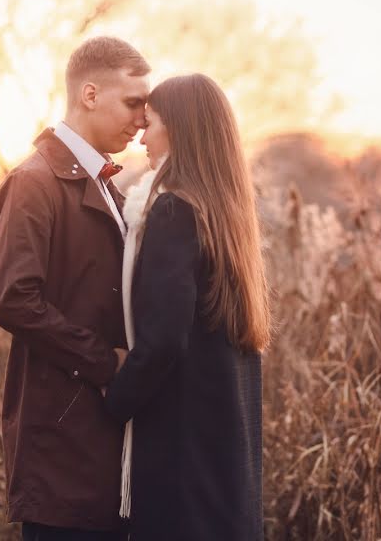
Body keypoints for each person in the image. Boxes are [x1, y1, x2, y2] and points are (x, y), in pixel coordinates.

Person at [0, 36, 150, 541]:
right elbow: (13, 298)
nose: (143, 119)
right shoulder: (34, 182)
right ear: (90, 94)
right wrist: (107, 363)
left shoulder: (106, 182)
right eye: (133, 102)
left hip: (98, 440)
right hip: (61, 445)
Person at [104, 73, 271, 540]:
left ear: (178, 129)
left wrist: (112, 406)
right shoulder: (227, 216)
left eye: (150, 122)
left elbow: (162, 340)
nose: (140, 135)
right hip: (225, 460)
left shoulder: (174, 211)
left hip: (183, 458)